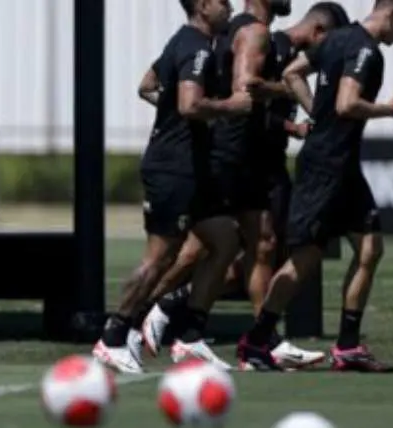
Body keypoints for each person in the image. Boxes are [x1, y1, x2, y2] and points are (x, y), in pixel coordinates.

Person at [140, 1, 350, 370]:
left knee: (262, 244)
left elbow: (256, 108)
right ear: (320, 33)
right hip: (229, 156)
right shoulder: (250, 33)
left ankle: (259, 341)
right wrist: (188, 116)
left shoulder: (261, 39)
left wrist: (294, 125)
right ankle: (143, 312)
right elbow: (246, 89)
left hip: (257, 160)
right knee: (198, 248)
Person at [237, 0, 393, 372]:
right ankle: (256, 341)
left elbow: (292, 73)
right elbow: (346, 104)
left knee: (370, 248)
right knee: (304, 259)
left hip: (340, 166)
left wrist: (314, 115)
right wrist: (388, 109)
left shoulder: (336, 39)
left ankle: (348, 347)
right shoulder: (366, 50)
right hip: (328, 168)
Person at [93, 0, 251, 374]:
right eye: (222, 2)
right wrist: (231, 105)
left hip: (192, 168)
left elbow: (147, 85)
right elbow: (189, 105)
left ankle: (190, 337)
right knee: (160, 256)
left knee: (227, 239)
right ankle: (114, 336)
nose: (228, 7)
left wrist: (169, 114)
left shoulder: (184, 42)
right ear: (202, 6)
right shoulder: (195, 47)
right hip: (173, 169)